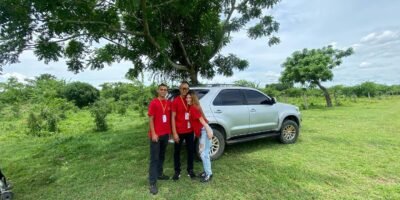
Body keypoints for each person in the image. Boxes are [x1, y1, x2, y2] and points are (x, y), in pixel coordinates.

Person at [147, 83, 171, 195]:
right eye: (161, 89)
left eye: (165, 90)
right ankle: (152, 183)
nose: (163, 91)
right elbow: (151, 119)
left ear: (167, 91)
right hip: (156, 136)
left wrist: (169, 132)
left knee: (162, 156)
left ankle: (160, 174)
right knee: (154, 159)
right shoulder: (154, 102)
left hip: (165, 135)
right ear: (158, 91)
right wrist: (153, 133)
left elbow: (169, 119)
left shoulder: (168, 102)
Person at [186, 91, 214, 182]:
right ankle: (207, 171)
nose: (188, 99)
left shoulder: (194, 108)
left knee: (203, 154)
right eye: (187, 98)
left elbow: (201, 119)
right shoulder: (192, 107)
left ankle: (208, 174)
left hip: (205, 131)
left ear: (194, 98)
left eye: (190, 98)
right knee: (204, 153)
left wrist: (208, 129)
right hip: (202, 132)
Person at [171, 81, 196, 180]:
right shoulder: (176, 101)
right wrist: (174, 133)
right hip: (179, 131)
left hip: (190, 131)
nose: (184, 90)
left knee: (190, 150)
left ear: (188, 89)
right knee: (177, 151)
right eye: (183, 88)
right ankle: (177, 171)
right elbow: (172, 117)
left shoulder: (190, 100)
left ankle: (190, 170)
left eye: (186, 88)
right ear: (179, 89)